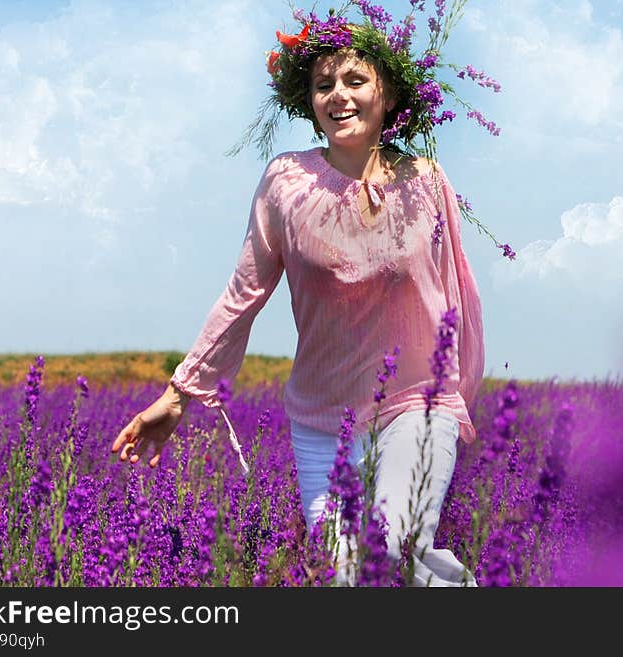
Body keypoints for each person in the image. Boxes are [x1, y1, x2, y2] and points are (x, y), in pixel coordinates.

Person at [111, 4, 502, 587]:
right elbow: (244, 293)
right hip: (322, 418)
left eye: (354, 80)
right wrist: (179, 393)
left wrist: (453, 396)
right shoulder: (287, 181)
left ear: (388, 93)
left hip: (417, 403)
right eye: (324, 85)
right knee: (345, 575)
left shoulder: (426, 181)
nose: (338, 95)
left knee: (386, 547)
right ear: (310, 101)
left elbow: (456, 294)